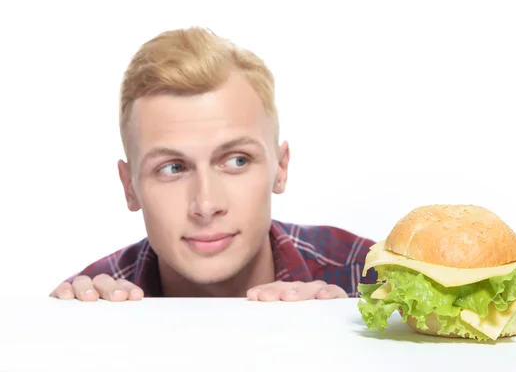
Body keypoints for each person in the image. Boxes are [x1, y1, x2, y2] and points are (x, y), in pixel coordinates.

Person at [49, 27, 378, 302]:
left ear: (281, 168)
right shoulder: (87, 305)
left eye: (237, 161)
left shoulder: (368, 275)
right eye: (172, 168)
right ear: (129, 187)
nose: (205, 206)